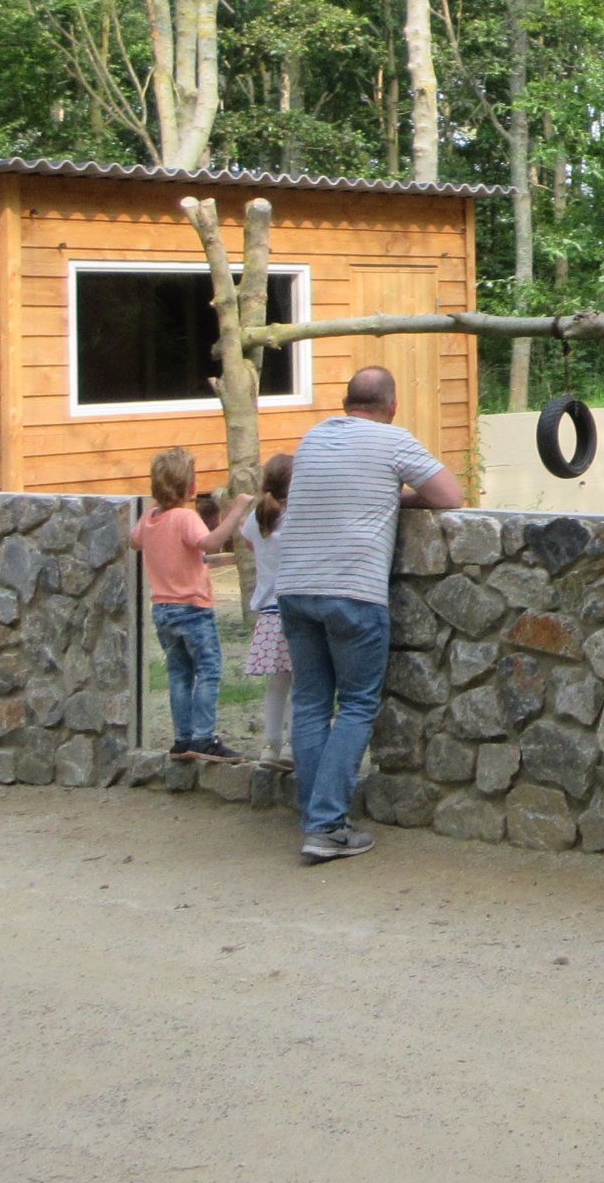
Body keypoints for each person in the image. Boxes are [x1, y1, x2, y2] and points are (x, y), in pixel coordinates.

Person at [274, 367, 464, 864]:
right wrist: (398, 494)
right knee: (356, 705)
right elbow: (450, 497)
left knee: (312, 703)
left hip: (294, 589)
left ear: (345, 401)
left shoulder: (314, 437)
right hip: (352, 592)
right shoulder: (392, 440)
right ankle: (326, 826)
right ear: (392, 406)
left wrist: (383, 493)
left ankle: (315, 817)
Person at [131, 446, 252, 764]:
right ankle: (204, 738)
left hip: (162, 609)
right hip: (194, 609)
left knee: (179, 673)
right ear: (191, 488)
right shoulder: (186, 518)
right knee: (209, 670)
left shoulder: (150, 518)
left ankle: (182, 739)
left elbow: (133, 539)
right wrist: (237, 511)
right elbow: (210, 543)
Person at [239, 452, 296, 764]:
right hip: (294, 610)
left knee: (277, 683)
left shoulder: (259, 516)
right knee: (302, 682)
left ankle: (269, 746)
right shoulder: (296, 516)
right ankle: (291, 744)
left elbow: (249, 541)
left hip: (268, 614)